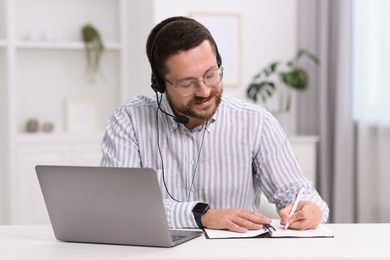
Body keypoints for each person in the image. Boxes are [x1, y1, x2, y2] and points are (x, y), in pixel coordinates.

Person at [100, 16, 329, 232]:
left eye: (210, 74)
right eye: (187, 83)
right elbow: (116, 206)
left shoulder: (256, 122)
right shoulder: (129, 121)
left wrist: (309, 209)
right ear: (160, 85)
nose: (205, 91)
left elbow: (296, 191)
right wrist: (201, 216)